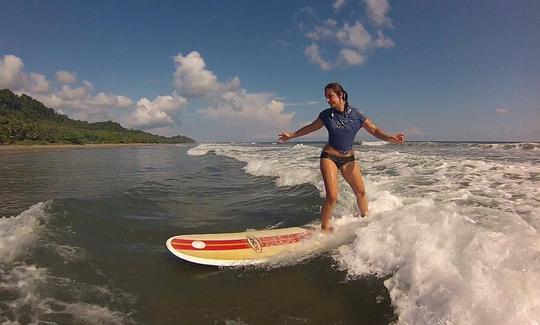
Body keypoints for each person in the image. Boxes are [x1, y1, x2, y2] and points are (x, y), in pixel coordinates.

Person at [278, 82, 405, 232]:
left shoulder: (357, 115)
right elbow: (310, 128)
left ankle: (366, 222)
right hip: (329, 157)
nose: (327, 99)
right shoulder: (326, 115)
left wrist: (389, 137)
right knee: (332, 196)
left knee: (361, 192)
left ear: (341, 95)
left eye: (330, 96)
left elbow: (375, 130)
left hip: (348, 160)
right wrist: (291, 135)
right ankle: (324, 228)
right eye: (325, 97)